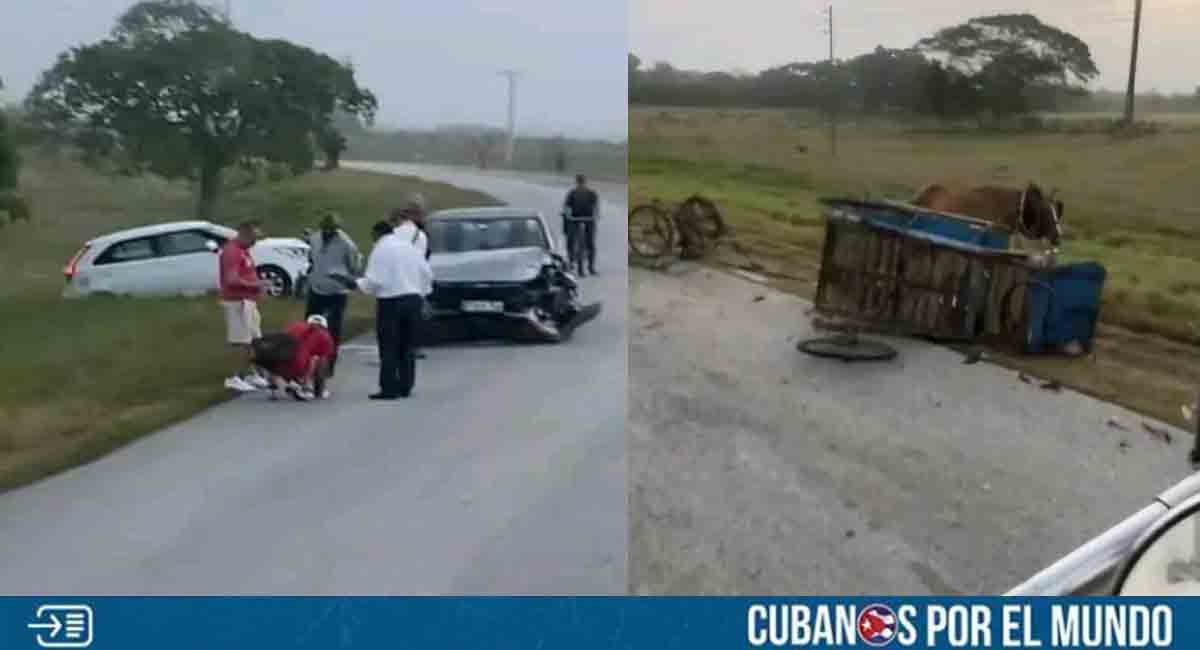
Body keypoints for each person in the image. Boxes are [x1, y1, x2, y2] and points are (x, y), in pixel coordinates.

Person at [357, 220, 433, 400]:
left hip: (391, 302)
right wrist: (422, 293)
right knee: (407, 345)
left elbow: (375, 281)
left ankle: (389, 387)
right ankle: (406, 385)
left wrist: (358, 284)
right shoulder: (409, 248)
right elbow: (427, 273)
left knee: (389, 346)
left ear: (377, 234)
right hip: (413, 300)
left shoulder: (381, 249)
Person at [305, 211, 361, 376]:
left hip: (337, 292)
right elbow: (312, 259)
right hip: (316, 289)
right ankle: (307, 364)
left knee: (333, 330)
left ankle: (329, 366)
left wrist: (342, 276)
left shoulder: (346, 244)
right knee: (309, 328)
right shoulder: (315, 238)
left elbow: (354, 267)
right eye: (326, 229)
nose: (329, 232)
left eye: (332, 229)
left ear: (337, 229)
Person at [219, 220, 271, 392]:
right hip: (237, 302)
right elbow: (231, 280)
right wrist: (256, 286)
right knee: (240, 341)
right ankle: (233, 377)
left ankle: (251, 373)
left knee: (254, 340)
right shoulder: (232, 252)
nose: (255, 242)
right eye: (253, 238)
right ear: (244, 234)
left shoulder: (244, 251)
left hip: (248, 302)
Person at [254, 315, 337, 401]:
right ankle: (304, 386)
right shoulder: (326, 337)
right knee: (316, 359)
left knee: (274, 355)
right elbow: (321, 363)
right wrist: (319, 389)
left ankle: (275, 385)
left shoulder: (295, 326)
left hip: (270, 358)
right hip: (296, 363)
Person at [562, 173, 600, 276]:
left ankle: (584, 265)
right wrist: (596, 215)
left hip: (579, 219)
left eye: (581, 182)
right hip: (586, 219)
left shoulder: (573, 193)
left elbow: (566, 207)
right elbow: (596, 207)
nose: (581, 184)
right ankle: (590, 267)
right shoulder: (591, 193)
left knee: (585, 242)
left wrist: (567, 215)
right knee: (589, 243)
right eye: (580, 182)